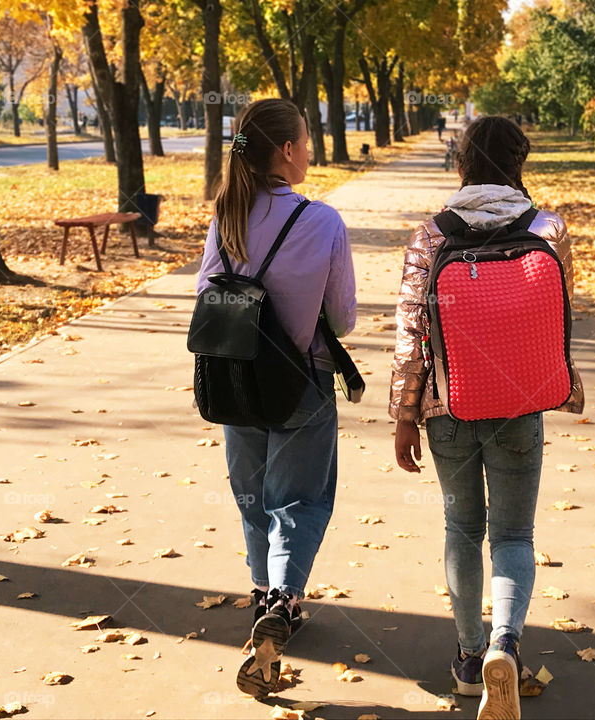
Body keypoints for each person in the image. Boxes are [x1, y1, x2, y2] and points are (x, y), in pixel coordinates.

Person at [389, 115, 584, 720]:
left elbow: (409, 333)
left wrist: (403, 413)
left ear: (461, 163)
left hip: (449, 404)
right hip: (521, 407)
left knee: (462, 530)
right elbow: (561, 315)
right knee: (514, 535)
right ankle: (507, 646)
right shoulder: (547, 229)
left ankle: (471, 658)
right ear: (521, 162)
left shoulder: (431, 235)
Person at [195, 98, 357, 699]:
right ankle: (284, 604)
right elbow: (341, 319)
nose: (311, 151)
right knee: (301, 500)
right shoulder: (323, 222)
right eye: (307, 141)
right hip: (302, 380)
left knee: (253, 494)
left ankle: (263, 593)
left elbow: (207, 294)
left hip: (237, 381)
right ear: (286, 151)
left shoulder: (226, 216)